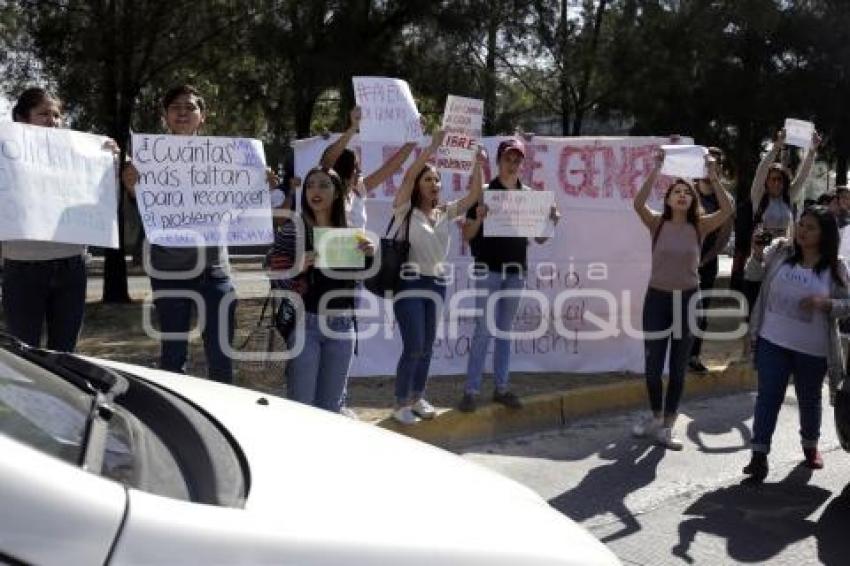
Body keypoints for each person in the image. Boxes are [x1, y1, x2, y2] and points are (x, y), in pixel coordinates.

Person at [123, 85, 242, 383]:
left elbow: (242, 200)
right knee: (173, 356)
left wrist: (258, 181)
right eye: (175, 107)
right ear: (165, 116)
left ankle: (224, 417)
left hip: (214, 272)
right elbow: (142, 204)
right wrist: (129, 185)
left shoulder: (225, 157)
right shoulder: (147, 157)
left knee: (221, 355)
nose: (183, 112)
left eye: (190, 107)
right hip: (169, 271)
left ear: (202, 117)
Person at [1, 87, 118, 351]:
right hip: (23, 267)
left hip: (71, 265)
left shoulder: (78, 155)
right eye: (43, 114)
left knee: (65, 353)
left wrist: (109, 161)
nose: (52, 121)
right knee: (24, 353)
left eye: (56, 115)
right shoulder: (4, 155)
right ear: (21, 117)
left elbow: (102, 202)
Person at [632, 150, 733, 449]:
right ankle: (654, 416)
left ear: (692, 200)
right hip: (656, 301)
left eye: (686, 192)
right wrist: (656, 169)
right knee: (652, 367)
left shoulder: (699, 226)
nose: (681, 195)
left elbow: (727, 209)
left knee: (678, 367)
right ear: (668, 198)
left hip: (688, 301)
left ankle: (668, 426)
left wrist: (713, 176)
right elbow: (638, 203)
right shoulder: (657, 223)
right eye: (676, 191)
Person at [742, 206, 850, 482]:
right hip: (772, 340)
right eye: (801, 225)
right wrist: (755, 253)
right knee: (768, 396)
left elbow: (847, 305)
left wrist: (825, 304)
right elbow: (752, 275)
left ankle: (810, 445)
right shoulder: (780, 251)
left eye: (810, 227)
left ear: (824, 234)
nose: (802, 231)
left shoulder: (836, 266)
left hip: (812, 349)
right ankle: (758, 455)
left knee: (809, 398)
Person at [458, 138, 561, 413]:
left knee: (505, 332)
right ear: (498, 161)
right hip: (487, 269)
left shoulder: (529, 196)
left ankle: (501, 388)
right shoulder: (482, 193)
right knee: (483, 330)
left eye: (517, 160)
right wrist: (479, 217)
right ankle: (471, 390)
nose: (513, 164)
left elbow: (539, 239)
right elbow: (467, 235)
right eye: (508, 159)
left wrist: (551, 220)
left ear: (522, 164)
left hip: (516, 271)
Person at [391, 130, 485, 425]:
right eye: (428, 179)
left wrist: (476, 161)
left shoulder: (446, 212)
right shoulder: (404, 209)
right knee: (414, 345)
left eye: (437, 180)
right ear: (418, 185)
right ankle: (400, 402)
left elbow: (474, 195)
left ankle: (417, 397)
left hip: (437, 284)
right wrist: (433, 145)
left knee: (428, 346)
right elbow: (407, 177)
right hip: (409, 283)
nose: (434, 183)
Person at [270, 167, 375, 412]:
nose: (315, 191)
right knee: (302, 407)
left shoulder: (351, 233)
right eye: (310, 185)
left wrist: (370, 257)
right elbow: (275, 280)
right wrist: (297, 268)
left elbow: (360, 282)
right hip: (306, 326)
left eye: (324, 185)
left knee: (331, 409)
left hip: (342, 328)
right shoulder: (292, 230)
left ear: (338, 193)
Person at [743, 128, 821, 315]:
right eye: (773, 179)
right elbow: (761, 171)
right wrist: (776, 147)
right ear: (767, 182)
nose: (776, 183)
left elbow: (802, 176)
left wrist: (812, 150)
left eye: (780, 180)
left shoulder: (789, 198)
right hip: (759, 254)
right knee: (753, 308)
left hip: (783, 256)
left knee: (775, 309)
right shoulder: (758, 196)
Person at [320, 106, 417, 229]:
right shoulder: (328, 193)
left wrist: (413, 139)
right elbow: (327, 162)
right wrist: (353, 127)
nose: (360, 170)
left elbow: (390, 168)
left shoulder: (357, 192)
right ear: (343, 170)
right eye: (355, 167)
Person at [689, 147, 735, 373]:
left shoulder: (725, 199)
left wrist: (705, 259)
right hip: (681, 261)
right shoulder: (687, 190)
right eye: (706, 164)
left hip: (706, 263)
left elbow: (724, 235)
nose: (709, 169)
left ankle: (694, 355)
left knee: (701, 310)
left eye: (713, 164)